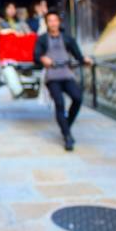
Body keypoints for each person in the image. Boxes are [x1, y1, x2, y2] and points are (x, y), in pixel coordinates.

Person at [33, 11, 92, 151]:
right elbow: (36, 55)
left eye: (55, 20)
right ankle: (67, 136)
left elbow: (78, 55)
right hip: (52, 76)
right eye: (50, 21)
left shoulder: (67, 38)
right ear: (47, 23)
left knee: (77, 98)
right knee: (60, 103)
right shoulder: (42, 39)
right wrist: (43, 59)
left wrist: (85, 60)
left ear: (59, 22)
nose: (53, 23)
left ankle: (66, 126)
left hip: (66, 74)